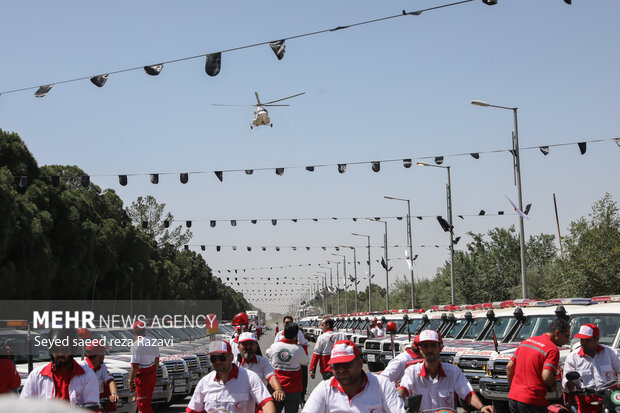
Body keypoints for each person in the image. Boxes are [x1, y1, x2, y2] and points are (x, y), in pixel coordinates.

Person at [398, 330, 493, 413]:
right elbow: (403, 390)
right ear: (420, 350)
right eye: (425, 346)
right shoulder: (412, 371)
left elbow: (468, 394)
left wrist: (482, 407)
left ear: (440, 348)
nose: (429, 350)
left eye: (433, 345)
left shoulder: (453, 371)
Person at [302, 340, 404, 412]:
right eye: (336, 365)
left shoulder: (382, 385)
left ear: (360, 364)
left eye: (346, 364)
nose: (341, 370)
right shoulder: (324, 388)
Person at [186, 340, 276, 413]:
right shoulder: (204, 382)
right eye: (213, 359)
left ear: (231, 357)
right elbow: (193, 410)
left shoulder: (250, 378)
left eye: (222, 358)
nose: (218, 362)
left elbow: (267, 403)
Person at [20, 328, 99, 406]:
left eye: (64, 350)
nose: (60, 354)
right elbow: (24, 406)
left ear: (72, 350)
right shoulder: (36, 375)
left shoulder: (87, 375)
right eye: (56, 349)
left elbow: (92, 407)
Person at [507, 317, 571, 413]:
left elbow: (509, 367)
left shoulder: (527, 341)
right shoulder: (552, 349)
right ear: (557, 333)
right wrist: (553, 386)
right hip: (532, 401)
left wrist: (515, 388)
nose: (568, 340)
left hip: (513, 398)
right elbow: (546, 376)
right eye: (566, 336)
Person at [562, 323, 620, 413]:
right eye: (581, 339)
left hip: (610, 400)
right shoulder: (573, 357)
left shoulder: (611, 353)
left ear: (596, 339)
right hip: (585, 403)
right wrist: (571, 383)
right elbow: (566, 384)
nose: (583, 342)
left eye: (587, 340)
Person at [266, 323, 310, 413]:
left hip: (276, 387)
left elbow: (267, 353)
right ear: (296, 335)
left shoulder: (275, 346)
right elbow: (306, 362)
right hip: (293, 389)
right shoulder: (297, 349)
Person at [235, 332, 286, 404]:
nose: (248, 347)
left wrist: (278, 389)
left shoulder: (263, 362)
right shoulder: (233, 362)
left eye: (251, 344)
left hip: (258, 403)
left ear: (256, 346)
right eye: (245, 344)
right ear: (238, 347)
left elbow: (271, 377)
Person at [275, 315, 310, 403]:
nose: (288, 324)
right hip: (283, 362)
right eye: (286, 323)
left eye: (290, 322)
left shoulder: (299, 333)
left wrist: (298, 348)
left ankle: (301, 398)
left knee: (302, 380)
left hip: (297, 361)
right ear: (283, 324)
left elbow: (305, 344)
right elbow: (273, 349)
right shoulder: (279, 335)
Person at [78, 340, 119, 411]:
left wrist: (114, 394)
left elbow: (110, 380)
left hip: (98, 404)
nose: (104, 355)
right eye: (102, 352)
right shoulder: (81, 367)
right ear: (96, 355)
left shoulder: (102, 366)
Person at [129, 320, 160, 413]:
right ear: (144, 330)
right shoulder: (153, 341)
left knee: (142, 404)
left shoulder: (136, 345)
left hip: (142, 377)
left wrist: (131, 381)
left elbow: (135, 366)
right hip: (152, 375)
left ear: (134, 331)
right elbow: (157, 360)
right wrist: (154, 373)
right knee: (147, 402)